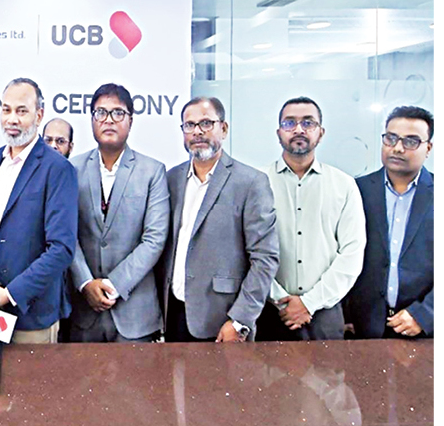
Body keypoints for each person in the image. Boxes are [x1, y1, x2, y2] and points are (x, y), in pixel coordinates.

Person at [0, 78, 78, 344]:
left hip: (30, 314)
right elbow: (2, 220)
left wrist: (10, 293)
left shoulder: (58, 169)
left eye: (21, 111)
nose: (11, 119)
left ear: (39, 115)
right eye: (6, 110)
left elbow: (62, 249)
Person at [163, 96, 278, 342]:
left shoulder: (251, 183)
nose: (197, 132)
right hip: (173, 315)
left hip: (223, 320)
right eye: (189, 125)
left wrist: (240, 320)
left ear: (223, 129)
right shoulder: (171, 179)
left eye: (206, 123)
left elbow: (265, 258)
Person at [258, 96, 366, 341]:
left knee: (328, 369)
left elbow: (352, 253)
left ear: (321, 133)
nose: (299, 129)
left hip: (325, 313)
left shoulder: (344, 185)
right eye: (289, 123)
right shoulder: (256, 183)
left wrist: (309, 302)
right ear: (278, 133)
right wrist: (280, 300)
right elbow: (247, 251)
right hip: (268, 312)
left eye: (308, 123)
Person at [69, 83, 169, 343]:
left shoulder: (152, 171)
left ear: (130, 121)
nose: (109, 120)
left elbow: (154, 239)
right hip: (83, 312)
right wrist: (85, 283)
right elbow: (65, 234)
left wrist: (114, 285)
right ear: (91, 120)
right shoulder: (72, 169)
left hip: (135, 314)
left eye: (118, 113)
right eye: (101, 112)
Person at [345, 106, 434, 339]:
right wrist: (343, 314)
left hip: (423, 331)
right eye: (391, 138)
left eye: (411, 141)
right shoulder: (357, 191)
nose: (397, 148)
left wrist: (425, 315)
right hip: (362, 328)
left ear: (428, 148)